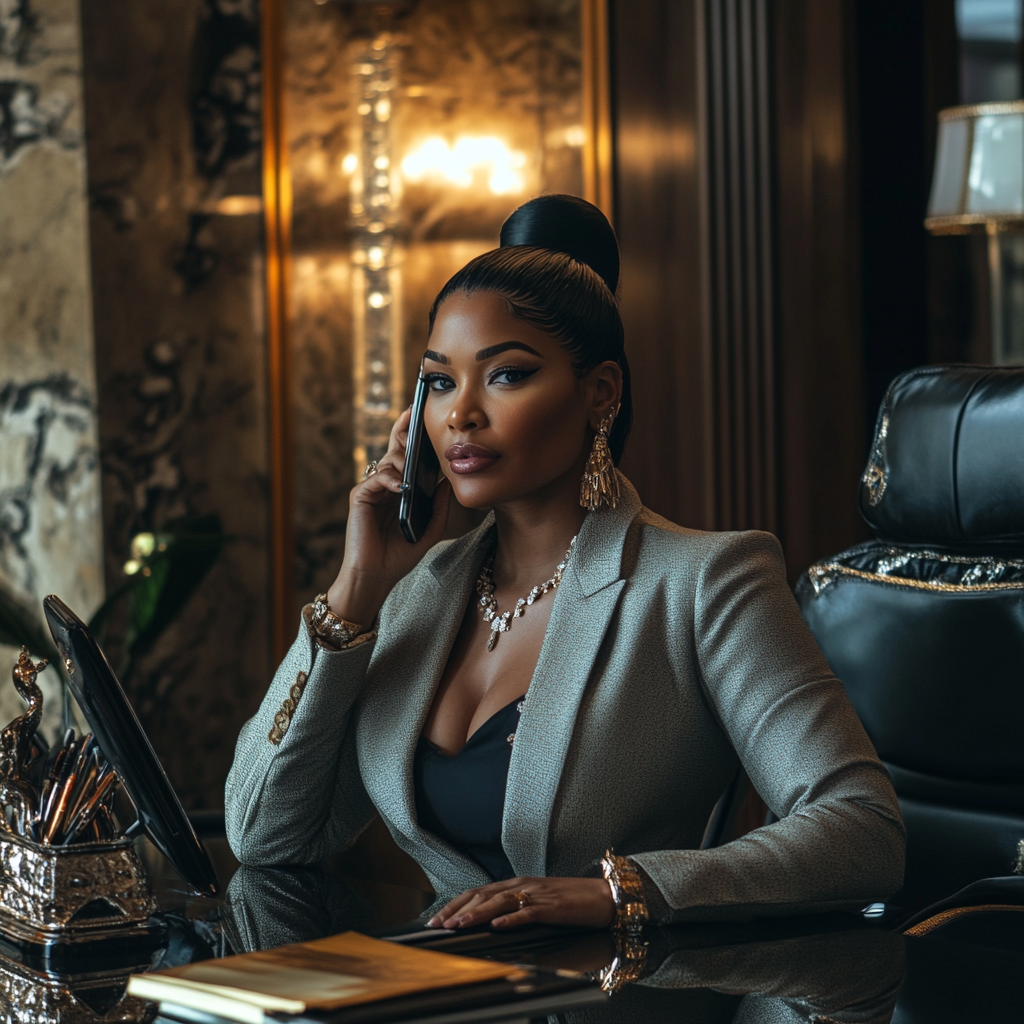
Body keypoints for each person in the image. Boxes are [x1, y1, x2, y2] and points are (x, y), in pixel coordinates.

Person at [225, 194, 904, 933]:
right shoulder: (417, 594)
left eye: (506, 375)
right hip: (444, 999)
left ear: (600, 393)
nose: (461, 414)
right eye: (441, 381)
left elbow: (863, 831)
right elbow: (266, 836)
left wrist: (621, 893)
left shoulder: (705, 582)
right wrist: (357, 589)